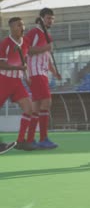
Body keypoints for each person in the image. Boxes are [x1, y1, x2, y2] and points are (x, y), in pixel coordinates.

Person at [24, 8, 61, 150]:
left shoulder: (47, 36)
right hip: (35, 72)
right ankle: (43, 138)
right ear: (41, 18)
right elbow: (26, 50)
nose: (50, 20)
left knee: (37, 107)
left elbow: (48, 59)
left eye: (52, 18)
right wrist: (45, 47)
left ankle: (30, 139)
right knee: (46, 102)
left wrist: (55, 72)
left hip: (43, 73)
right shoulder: (34, 32)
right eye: (47, 18)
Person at [0, 17, 36, 152]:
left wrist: (26, 76)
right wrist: (18, 69)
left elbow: (24, 60)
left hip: (17, 82)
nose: (22, 27)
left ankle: (21, 141)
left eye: (23, 24)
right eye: (18, 25)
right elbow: (0, 63)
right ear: (11, 28)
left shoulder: (25, 42)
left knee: (29, 108)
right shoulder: (5, 44)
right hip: (3, 81)